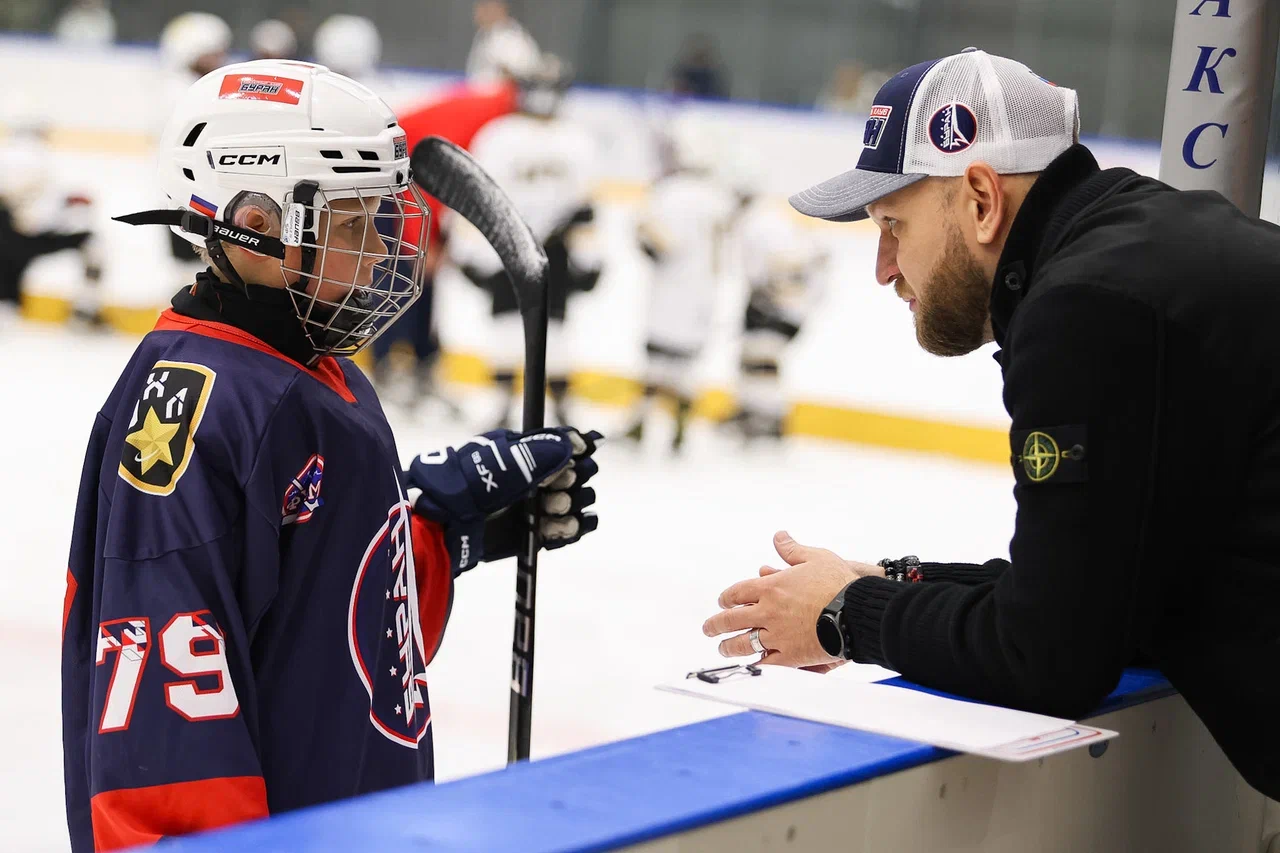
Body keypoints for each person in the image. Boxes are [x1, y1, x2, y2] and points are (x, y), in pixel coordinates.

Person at [701, 46, 1280, 800]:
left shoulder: (1086, 308)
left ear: (980, 197)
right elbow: (1107, 589)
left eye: (893, 224)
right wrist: (889, 584)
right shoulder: (1146, 243)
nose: (883, 267)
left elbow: (1049, 657)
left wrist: (845, 613)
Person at [62, 60, 602, 851]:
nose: (380, 251)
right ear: (255, 224)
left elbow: (334, 635)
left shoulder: (317, 368)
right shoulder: (192, 413)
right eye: (352, 226)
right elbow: (163, 747)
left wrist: (440, 533)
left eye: (379, 220)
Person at [450, 55, 602, 429]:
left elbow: (585, 207)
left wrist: (589, 256)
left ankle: (561, 404)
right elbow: (477, 196)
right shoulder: (500, 136)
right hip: (507, 241)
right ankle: (502, 402)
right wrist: (469, 250)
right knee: (505, 323)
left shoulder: (577, 140)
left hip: (556, 247)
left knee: (556, 327)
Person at [624, 114, 738, 452]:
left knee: (656, 359)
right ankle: (681, 429)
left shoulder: (671, 193)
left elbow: (665, 245)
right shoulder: (720, 196)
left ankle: (641, 424)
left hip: (671, 288)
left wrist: (639, 230)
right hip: (704, 290)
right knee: (687, 364)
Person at [466, 0, 541, 85]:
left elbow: (521, 76)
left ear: (499, 9)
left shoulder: (513, 39)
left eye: (484, 8)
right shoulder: (483, 35)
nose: (478, 14)